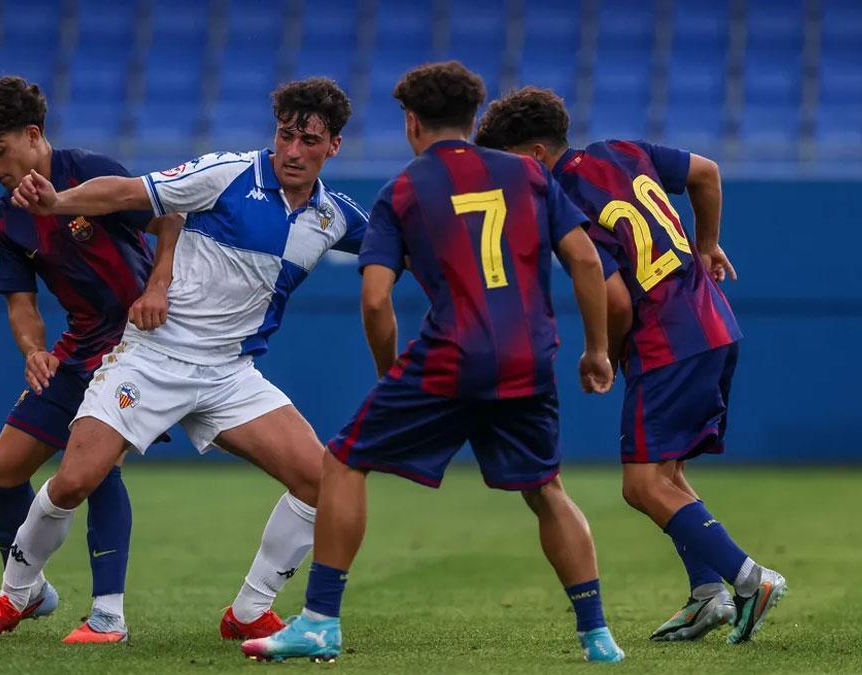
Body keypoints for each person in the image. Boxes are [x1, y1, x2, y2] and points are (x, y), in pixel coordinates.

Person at [0, 77, 372, 645]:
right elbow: (129, 193)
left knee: (323, 483)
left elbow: (402, 247)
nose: (293, 151)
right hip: (152, 358)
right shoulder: (228, 173)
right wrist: (60, 203)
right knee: (74, 481)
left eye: (310, 140)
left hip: (229, 374)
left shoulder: (335, 218)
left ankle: (249, 610)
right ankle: (15, 595)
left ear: (334, 146)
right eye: (285, 135)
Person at [242, 62, 624, 664]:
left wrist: (391, 370)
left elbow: (375, 299)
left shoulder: (403, 190)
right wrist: (597, 348)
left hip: (450, 357)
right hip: (529, 357)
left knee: (343, 463)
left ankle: (319, 620)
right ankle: (597, 635)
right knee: (547, 488)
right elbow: (582, 260)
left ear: (411, 122)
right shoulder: (528, 173)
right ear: (474, 121)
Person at [474, 86, 787, 644]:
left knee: (642, 486)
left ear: (538, 155)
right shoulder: (623, 149)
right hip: (713, 323)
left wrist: (603, 351)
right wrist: (709, 244)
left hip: (667, 339)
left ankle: (748, 579)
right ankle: (707, 593)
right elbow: (708, 173)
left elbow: (615, 299)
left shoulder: (559, 198)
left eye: (509, 164)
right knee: (667, 475)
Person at [0, 76, 184, 643]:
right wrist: (33, 351)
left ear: (33, 136)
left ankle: (106, 615)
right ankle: (26, 593)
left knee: (94, 470)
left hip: (135, 346)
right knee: (1, 473)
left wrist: (159, 284)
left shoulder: (89, 170)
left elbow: (169, 219)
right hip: (77, 350)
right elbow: (22, 303)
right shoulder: (7, 220)